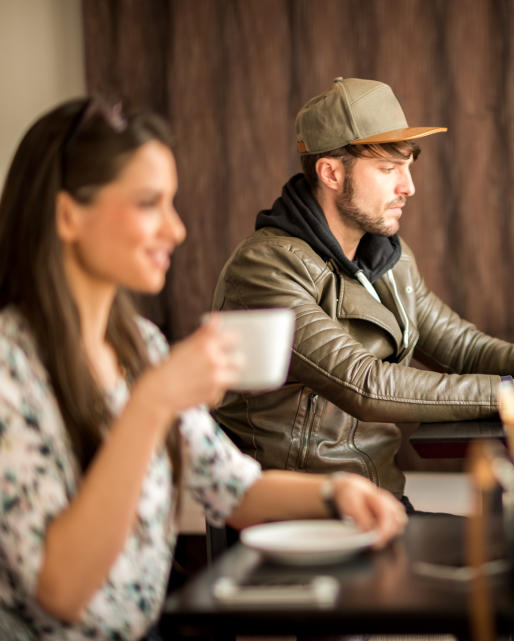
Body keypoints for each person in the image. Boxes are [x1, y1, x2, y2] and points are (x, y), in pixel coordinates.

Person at [0, 96, 407, 641]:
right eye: (149, 203)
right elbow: (61, 592)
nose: (176, 230)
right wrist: (151, 405)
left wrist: (335, 494)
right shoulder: (10, 369)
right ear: (68, 214)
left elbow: (232, 489)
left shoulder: (140, 347)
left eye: (173, 203)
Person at [212, 77, 514, 501]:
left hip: (379, 503)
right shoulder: (266, 268)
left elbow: (464, 349)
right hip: (302, 515)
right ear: (331, 173)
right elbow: (364, 384)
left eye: (408, 167)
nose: (408, 187)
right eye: (388, 169)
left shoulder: (387, 258)